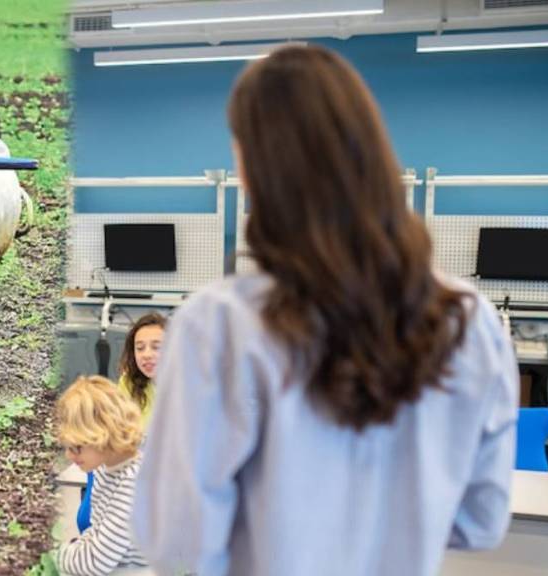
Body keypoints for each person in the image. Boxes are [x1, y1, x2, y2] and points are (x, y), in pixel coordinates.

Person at [133, 45, 518, 576]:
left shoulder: (221, 324)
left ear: (253, 168)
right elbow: (482, 521)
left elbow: (177, 545)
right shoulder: (468, 320)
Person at [77, 312, 167, 534]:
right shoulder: (129, 382)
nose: (146, 354)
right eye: (140, 347)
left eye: (156, 347)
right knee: (87, 519)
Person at [56, 376, 149, 576]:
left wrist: (56, 554)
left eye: (77, 447)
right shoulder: (105, 467)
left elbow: (95, 564)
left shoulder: (133, 484)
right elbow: (97, 531)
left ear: (103, 436)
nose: (69, 455)